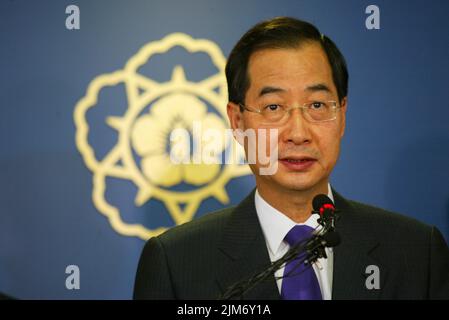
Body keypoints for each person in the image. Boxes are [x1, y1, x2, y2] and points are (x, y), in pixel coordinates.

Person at [133, 17, 449, 300]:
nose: (298, 133)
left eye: (317, 105)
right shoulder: (176, 263)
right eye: (273, 107)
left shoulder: (417, 253)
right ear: (238, 121)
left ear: (342, 115)